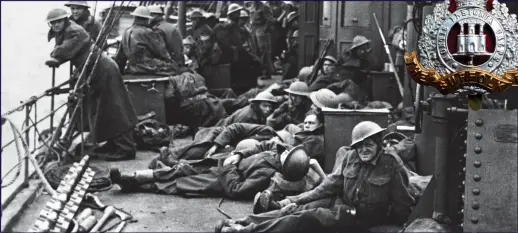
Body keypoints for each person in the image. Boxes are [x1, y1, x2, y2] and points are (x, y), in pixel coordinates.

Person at [215, 121, 414, 232]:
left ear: (379, 143)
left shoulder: (391, 165)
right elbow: (328, 186)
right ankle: (242, 221)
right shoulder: (351, 157)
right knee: (297, 209)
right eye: (360, 145)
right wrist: (293, 199)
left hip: (361, 217)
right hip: (341, 203)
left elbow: (402, 204)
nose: (363, 149)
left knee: (308, 217)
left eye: (369, 144)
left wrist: (387, 225)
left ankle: (247, 232)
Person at [44, 8, 137, 161]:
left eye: (58, 21)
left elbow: (65, 49)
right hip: (93, 71)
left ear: (65, 20)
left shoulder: (74, 31)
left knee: (115, 108)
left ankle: (126, 149)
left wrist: (56, 57)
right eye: (52, 23)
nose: (55, 25)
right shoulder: (67, 29)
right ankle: (114, 143)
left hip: (103, 70)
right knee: (102, 110)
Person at [110, 143, 311, 200]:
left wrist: (231, 168)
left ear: (287, 165)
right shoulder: (276, 151)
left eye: (288, 154)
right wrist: (239, 154)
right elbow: (261, 146)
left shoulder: (266, 174)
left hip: (221, 178)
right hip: (221, 163)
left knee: (177, 185)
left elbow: (237, 190)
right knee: (180, 169)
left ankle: (131, 184)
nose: (286, 150)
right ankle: (133, 176)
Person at [114, 6, 178, 76]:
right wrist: (170, 61)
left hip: (132, 68)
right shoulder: (147, 32)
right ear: (147, 19)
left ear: (135, 17)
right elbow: (161, 52)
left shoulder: (126, 32)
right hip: (146, 68)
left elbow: (120, 57)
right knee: (175, 68)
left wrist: (120, 73)